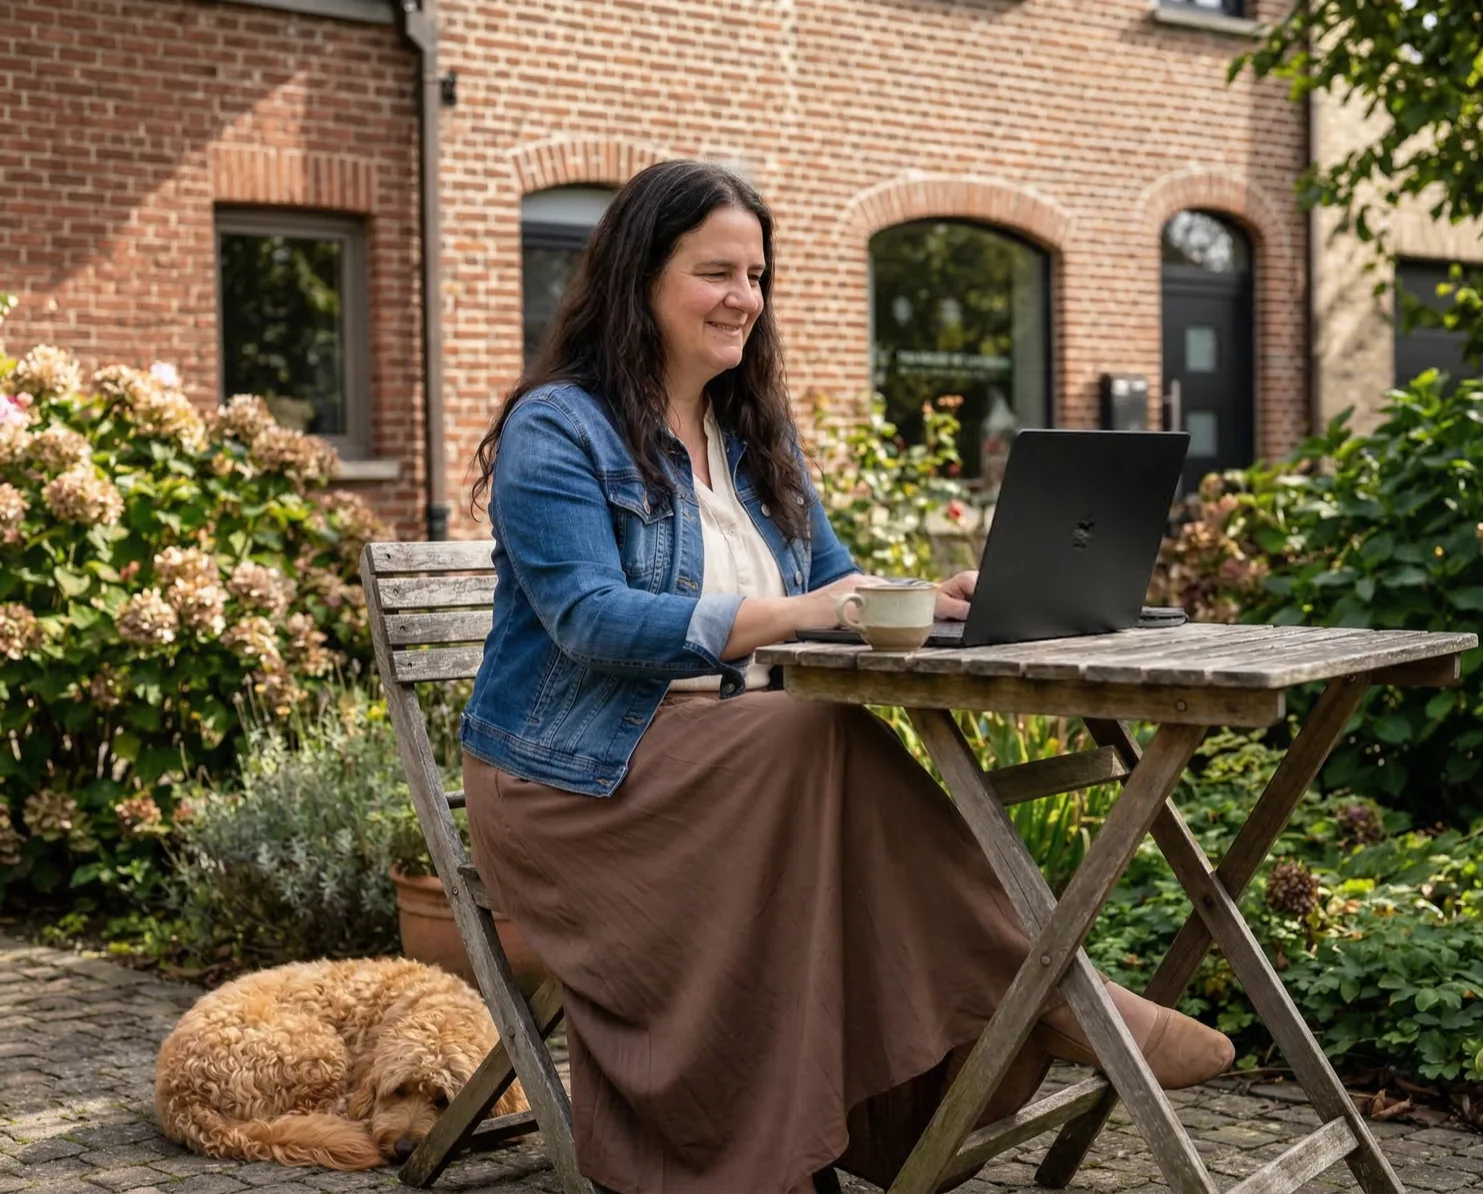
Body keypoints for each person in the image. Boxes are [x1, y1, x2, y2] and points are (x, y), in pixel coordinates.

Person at [459, 160, 1233, 1194]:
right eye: (716, 272)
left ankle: (1035, 1004)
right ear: (639, 278)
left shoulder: (749, 433)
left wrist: (931, 597)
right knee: (814, 737)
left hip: (739, 768)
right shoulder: (558, 429)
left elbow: (831, 581)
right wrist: (806, 614)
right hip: (579, 785)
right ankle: (1050, 995)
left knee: (806, 747)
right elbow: (591, 622)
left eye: (758, 274)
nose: (744, 297)